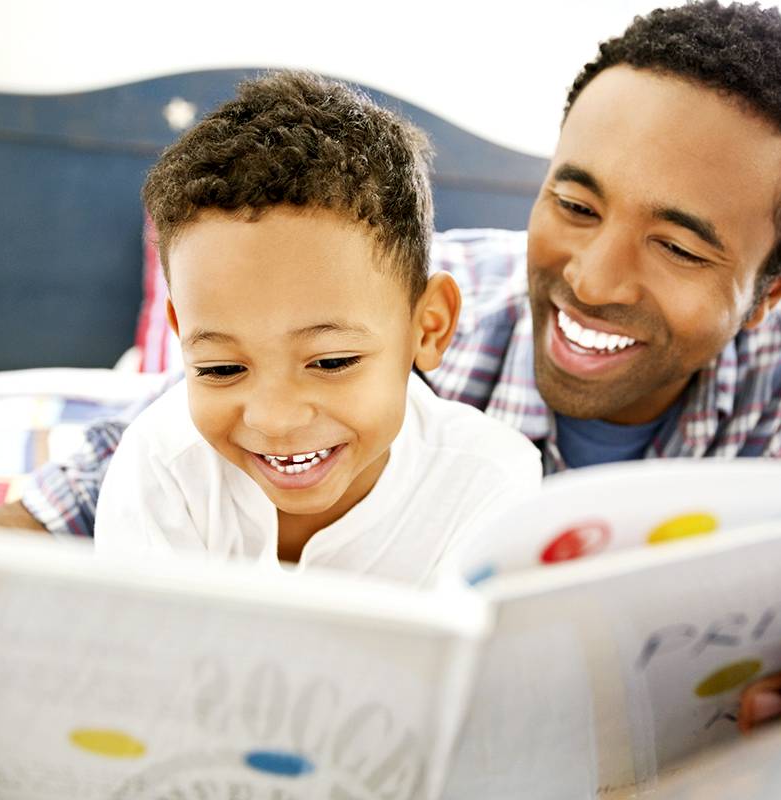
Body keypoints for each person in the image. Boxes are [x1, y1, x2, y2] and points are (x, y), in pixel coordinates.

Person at [0, 0, 781, 728]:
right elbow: (115, 468)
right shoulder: (422, 300)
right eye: (574, 200)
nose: (592, 275)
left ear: (771, 285)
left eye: (679, 245)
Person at [92, 71, 542, 584]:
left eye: (331, 361)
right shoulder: (161, 466)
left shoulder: (490, 485)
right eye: (221, 368)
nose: (276, 419)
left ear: (429, 326)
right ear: (180, 336)